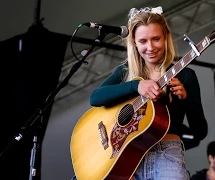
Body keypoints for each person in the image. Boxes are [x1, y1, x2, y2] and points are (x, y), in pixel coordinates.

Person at [89, 6, 208, 180]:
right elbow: (95, 98)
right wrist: (135, 86)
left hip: (167, 153)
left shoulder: (185, 76)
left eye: (156, 39)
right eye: (143, 41)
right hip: (128, 155)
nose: (150, 47)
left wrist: (186, 99)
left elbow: (200, 132)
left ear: (166, 38)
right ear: (134, 43)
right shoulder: (125, 71)